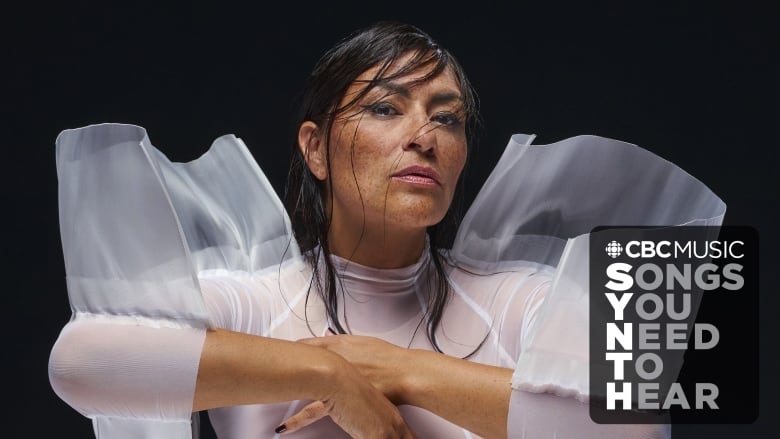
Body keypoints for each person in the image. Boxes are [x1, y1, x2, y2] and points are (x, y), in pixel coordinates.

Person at [48, 21, 725, 438]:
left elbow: (631, 424)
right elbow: (80, 362)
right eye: (384, 107)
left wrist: (392, 368)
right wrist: (330, 371)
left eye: (447, 117)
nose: (422, 137)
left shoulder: (519, 298)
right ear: (315, 148)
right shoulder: (251, 302)